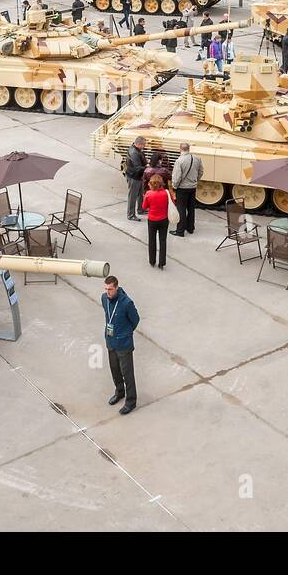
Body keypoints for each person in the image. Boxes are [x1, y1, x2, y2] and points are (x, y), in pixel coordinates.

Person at [100, 275, 140, 415]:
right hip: (110, 342)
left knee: (127, 374)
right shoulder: (104, 299)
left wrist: (125, 333)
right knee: (115, 370)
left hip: (123, 344)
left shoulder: (126, 303)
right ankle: (120, 392)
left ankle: (131, 401)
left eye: (110, 289)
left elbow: (135, 320)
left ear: (117, 287)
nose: (107, 292)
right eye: (106, 289)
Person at [170, 143, 201, 237]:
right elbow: (201, 172)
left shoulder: (179, 161)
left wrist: (174, 186)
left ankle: (180, 231)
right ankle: (190, 228)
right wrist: (195, 180)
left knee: (181, 209)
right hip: (192, 187)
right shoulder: (197, 159)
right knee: (191, 208)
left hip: (182, 188)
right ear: (189, 149)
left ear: (180, 149)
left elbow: (177, 176)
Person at [142, 174, 170, 270]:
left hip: (152, 220)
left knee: (152, 240)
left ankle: (152, 261)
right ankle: (162, 262)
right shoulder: (166, 193)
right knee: (163, 240)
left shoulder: (148, 194)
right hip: (164, 219)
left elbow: (144, 207)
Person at [125, 136, 147, 222]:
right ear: (138, 144)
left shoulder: (136, 149)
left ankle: (140, 209)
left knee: (140, 193)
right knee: (133, 196)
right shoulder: (134, 153)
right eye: (143, 145)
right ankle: (131, 215)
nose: (144, 146)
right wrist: (147, 167)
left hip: (138, 176)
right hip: (134, 177)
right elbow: (138, 168)